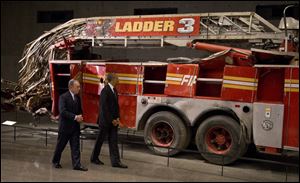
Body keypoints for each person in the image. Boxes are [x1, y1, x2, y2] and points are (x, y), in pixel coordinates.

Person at [90, 73, 128, 168]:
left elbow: (116, 106)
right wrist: (112, 120)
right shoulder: (105, 91)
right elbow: (104, 108)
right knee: (100, 140)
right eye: (117, 78)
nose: (119, 80)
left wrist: (118, 118)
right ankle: (94, 158)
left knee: (113, 141)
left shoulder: (114, 90)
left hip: (113, 121)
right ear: (113, 79)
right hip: (105, 121)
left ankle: (116, 162)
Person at [52, 79, 88, 171]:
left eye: (79, 87)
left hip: (75, 128)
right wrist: (76, 117)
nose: (79, 89)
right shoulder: (63, 97)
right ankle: (55, 161)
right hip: (65, 128)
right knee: (60, 146)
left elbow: (80, 110)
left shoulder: (77, 98)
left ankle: (77, 164)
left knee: (76, 147)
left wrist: (80, 116)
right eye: (77, 87)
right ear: (71, 87)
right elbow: (63, 112)